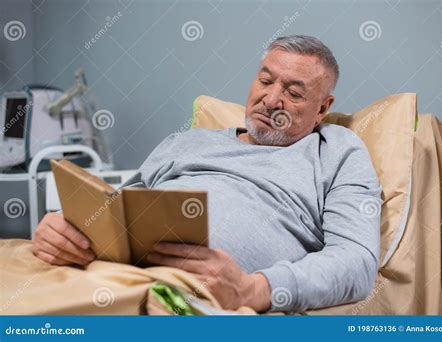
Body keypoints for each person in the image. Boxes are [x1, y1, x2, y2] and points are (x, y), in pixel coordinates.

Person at [32, 35, 382, 313]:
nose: (271, 99)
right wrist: (64, 228)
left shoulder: (337, 150)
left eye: (293, 93)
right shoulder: (186, 142)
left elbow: (356, 261)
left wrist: (255, 289)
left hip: (181, 294)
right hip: (105, 268)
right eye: (265, 81)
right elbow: (115, 210)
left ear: (323, 108)